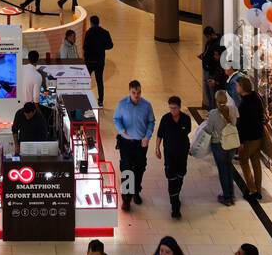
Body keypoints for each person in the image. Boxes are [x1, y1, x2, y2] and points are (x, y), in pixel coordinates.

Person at [113, 80, 155, 211]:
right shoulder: (122, 104)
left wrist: (147, 137)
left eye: (139, 92)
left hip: (141, 143)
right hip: (126, 143)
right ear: (129, 91)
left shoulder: (146, 105)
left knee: (139, 168)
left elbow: (151, 122)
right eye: (134, 92)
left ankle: (136, 192)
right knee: (126, 169)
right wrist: (121, 129)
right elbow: (116, 119)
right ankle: (126, 199)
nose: (136, 95)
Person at [155, 95, 193, 218]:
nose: (173, 111)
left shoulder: (186, 119)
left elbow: (187, 132)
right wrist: (157, 148)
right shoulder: (165, 119)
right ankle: (175, 207)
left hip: (182, 154)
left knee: (180, 176)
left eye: (175, 108)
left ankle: (176, 194)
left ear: (179, 107)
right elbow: (159, 134)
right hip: (169, 155)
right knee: (171, 179)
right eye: (171, 108)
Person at [207, 89, 240, 206]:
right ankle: (231, 195)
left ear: (216, 101)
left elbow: (209, 130)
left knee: (222, 170)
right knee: (229, 167)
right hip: (231, 145)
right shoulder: (233, 110)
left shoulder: (213, 114)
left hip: (219, 145)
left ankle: (226, 197)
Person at [235, 75, 265, 200]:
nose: (236, 87)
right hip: (258, 135)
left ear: (242, 88)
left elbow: (241, 125)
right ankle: (258, 189)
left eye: (237, 85)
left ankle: (252, 189)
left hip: (248, 138)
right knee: (256, 162)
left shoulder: (243, 104)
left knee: (243, 161)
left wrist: (240, 142)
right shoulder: (257, 97)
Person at [83, 15, 113, 103]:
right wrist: (102, 47)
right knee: (99, 80)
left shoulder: (88, 33)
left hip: (89, 61)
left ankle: (85, 97)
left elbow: (85, 47)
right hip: (100, 61)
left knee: (86, 80)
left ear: (91, 23)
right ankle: (100, 100)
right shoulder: (105, 32)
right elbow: (110, 45)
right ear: (98, 22)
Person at [199, 26, 222, 108]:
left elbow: (215, 59)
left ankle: (212, 108)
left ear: (212, 34)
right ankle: (210, 107)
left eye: (208, 36)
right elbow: (207, 52)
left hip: (211, 70)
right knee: (207, 90)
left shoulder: (218, 43)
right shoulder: (209, 42)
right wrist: (203, 55)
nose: (207, 38)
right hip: (206, 68)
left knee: (212, 92)